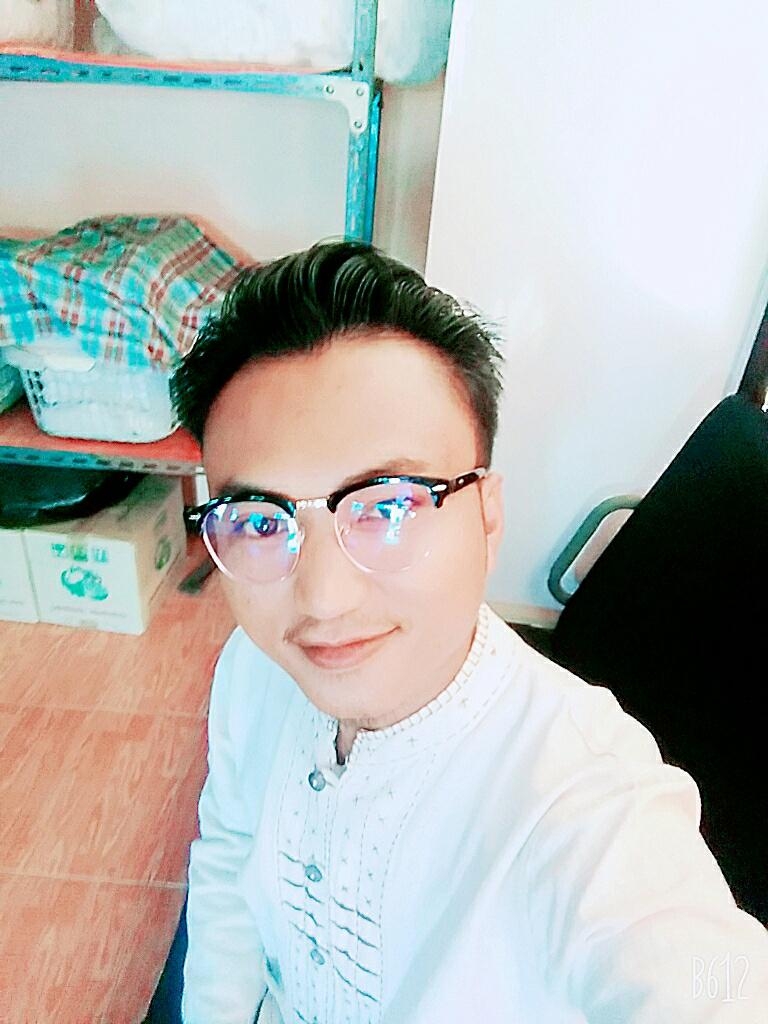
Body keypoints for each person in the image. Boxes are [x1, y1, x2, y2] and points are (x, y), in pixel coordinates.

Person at [172, 240, 768, 1024]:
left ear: (487, 517)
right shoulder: (254, 669)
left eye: (388, 506)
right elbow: (226, 857)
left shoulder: (585, 800)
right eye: (258, 520)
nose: (321, 598)